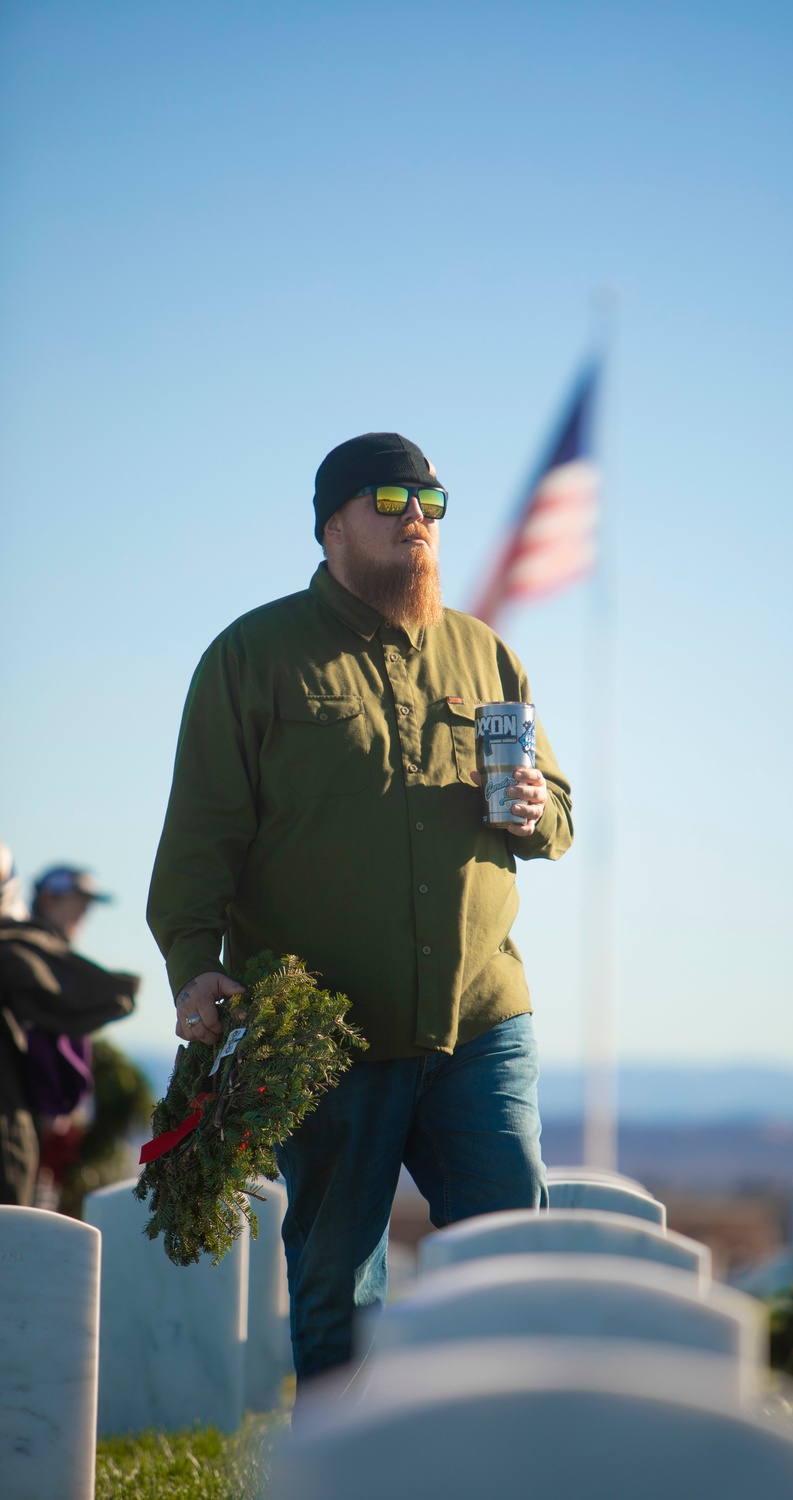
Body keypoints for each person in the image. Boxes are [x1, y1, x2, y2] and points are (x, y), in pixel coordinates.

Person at [147, 431, 573, 1382]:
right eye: (391, 501)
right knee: (339, 1285)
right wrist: (193, 961)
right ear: (332, 523)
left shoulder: (487, 653)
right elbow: (199, 837)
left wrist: (539, 810)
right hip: (328, 1029)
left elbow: (560, 813)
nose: (418, 518)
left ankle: (502, 1464)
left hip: (482, 1019)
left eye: (432, 504)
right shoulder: (252, 657)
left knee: (513, 1259)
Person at [0, 859, 138, 1206]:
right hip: (23, 1120)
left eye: (87, 906)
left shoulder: (40, 955)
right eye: (76, 902)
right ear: (48, 899)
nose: (83, 914)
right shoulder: (28, 957)